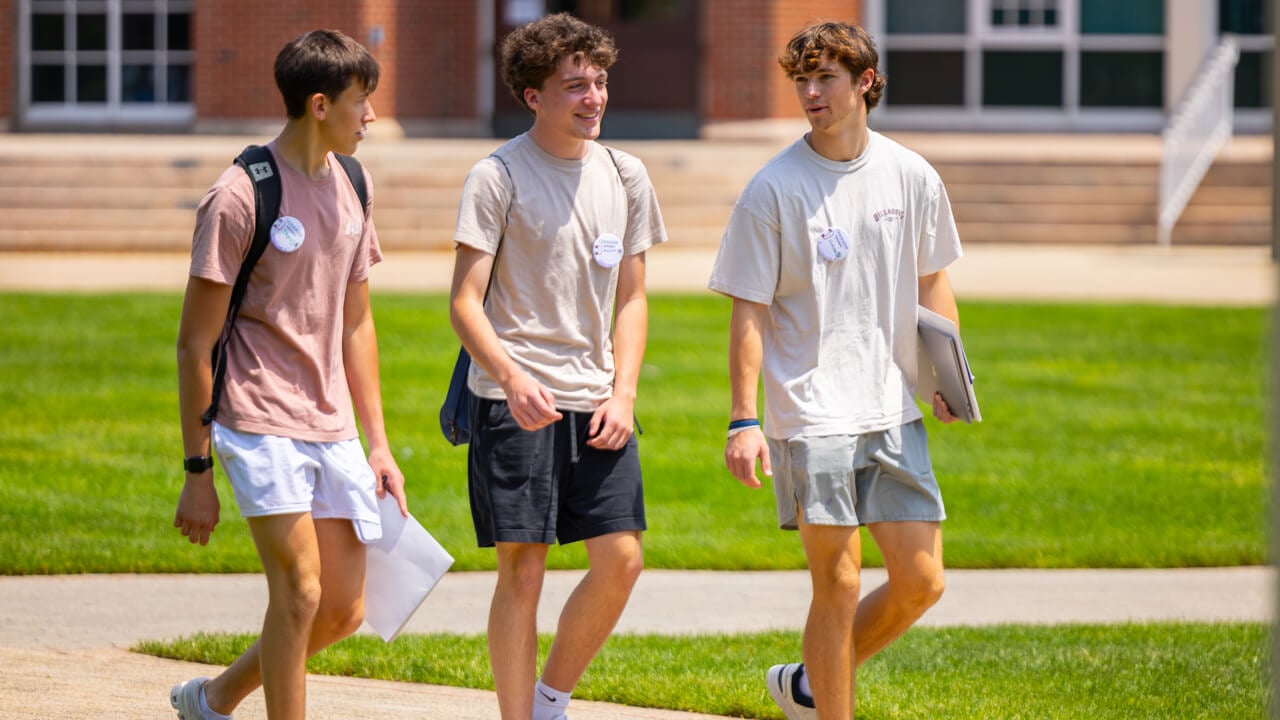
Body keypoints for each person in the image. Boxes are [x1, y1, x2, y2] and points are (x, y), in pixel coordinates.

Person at [708, 21, 963, 720]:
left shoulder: (911, 174)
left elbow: (932, 279)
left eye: (826, 78)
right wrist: (743, 418)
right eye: (802, 80)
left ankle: (809, 684)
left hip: (893, 410)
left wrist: (945, 375)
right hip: (811, 414)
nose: (812, 93)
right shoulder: (774, 188)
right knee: (839, 582)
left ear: (865, 83)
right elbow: (748, 313)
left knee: (921, 581)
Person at [171, 28, 407, 720]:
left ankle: (212, 699)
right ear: (319, 105)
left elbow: (357, 323)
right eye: (362, 102)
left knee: (341, 611)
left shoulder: (355, 184)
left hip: (329, 422)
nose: (370, 118)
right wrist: (197, 470)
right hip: (256, 419)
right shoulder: (240, 197)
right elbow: (194, 344)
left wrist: (379, 443)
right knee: (299, 593)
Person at [449, 12, 666, 720]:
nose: (594, 97)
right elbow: (464, 304)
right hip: (512, 402)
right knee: (524, 570)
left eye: (600, 81)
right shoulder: (497, 175)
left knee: (622, 560)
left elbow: (631, 298)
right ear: (533, 95)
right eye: (575, 85)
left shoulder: (626, 175)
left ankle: (550, 701)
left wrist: (624, 393)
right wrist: (512, 380)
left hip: (598, 401)